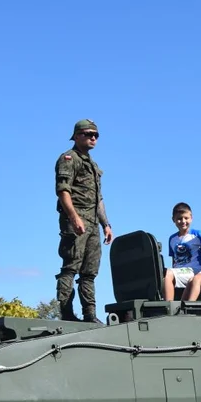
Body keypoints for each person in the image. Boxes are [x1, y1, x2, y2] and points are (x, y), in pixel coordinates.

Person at [54, 119, 114, 323]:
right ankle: (66, 312)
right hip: (76, 220)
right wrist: (74, 217)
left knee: (89, 272)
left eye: (96, 135)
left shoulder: (93, 166)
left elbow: (99, 199)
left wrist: (106, 224)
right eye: (89, 134)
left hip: (92, 223)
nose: (93, 138)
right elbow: (63, 191)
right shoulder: (69, 159)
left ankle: (89, 314)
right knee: (71, 266)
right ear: (77, 135)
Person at [161, 202, 201, 301]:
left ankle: (169, 306)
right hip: (178, 271)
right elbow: (174, 259)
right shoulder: (172, 239)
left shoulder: (198, 235)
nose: (183, 221)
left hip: (194, 270)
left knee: (169, 273)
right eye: (179, 218)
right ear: (173, 220)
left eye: (186, 218)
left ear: (191, 218)